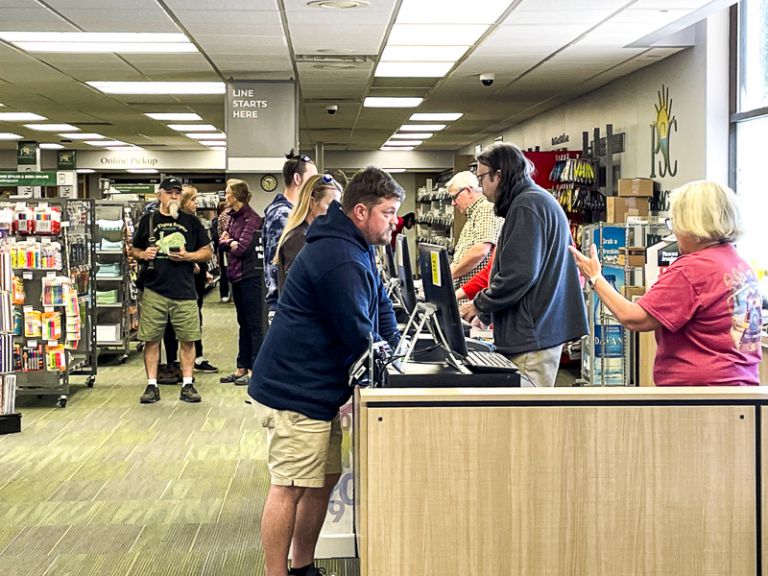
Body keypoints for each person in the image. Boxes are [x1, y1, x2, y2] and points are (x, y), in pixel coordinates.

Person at [249, 166, 403, 576]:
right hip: (294, 390)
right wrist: (381, 365)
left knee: (324, 478)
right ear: (360, 211)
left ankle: (302, 566)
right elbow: (355, 332)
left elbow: (379, 306)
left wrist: (394, 349)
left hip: (319, 389)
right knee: (290, 486)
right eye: (388, 213)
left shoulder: (356, 246)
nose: (394, 221)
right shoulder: (338, 257)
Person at [569, 180, 762, 386]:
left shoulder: (692, 270)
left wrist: (595, 278)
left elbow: (634, 318)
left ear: (692, 225)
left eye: (675, 223)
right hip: (741, 388)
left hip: (701, 393)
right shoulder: (739, 264)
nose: (675, 233)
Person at [460, 143, 587, 387]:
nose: (481, 187)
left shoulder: (527, 206)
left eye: (481, 178)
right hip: (536, 330)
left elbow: (518, 275)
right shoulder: (530, 201)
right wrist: (485, 313)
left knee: (527, 408)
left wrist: (480, 304)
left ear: (498, 175)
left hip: (532, 334)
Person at [133, 176, 212, 404]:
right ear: (160, 195)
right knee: (151, 339)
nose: (174, 196)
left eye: (177, 192)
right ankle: (152, 385)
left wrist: (188, 256)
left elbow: (207, 252)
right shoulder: (148, 220)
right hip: (154, 290)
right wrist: (143, 254)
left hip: (185, 290)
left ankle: (187, 384)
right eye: (169, 192)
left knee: (188, 339)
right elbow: (134, 250)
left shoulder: (191, 222)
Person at [161, 186, 218, 374]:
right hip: (180, 278)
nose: (196, 203)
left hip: (196, 277)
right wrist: (190, 261)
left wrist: (204, 269)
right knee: (173, 320)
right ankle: (172, 360)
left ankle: (195, 357)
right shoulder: (173, 223)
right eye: (193, 200)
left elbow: (203, 248)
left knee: (194, 317)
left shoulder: (194, 222)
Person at [218, 179, 264, 386]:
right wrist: (230, 242)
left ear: (236, 196)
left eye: (227, 192)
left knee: (254, 325)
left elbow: (242, 248)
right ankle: (241, 366)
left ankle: (255, 369)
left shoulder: (251, 219)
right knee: (242, 324)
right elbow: (222, 241)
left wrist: (228, 242)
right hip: (236, 276)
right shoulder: (231, 218)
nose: (225, 195)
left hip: (250, 277)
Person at [263, 150, 318, 320]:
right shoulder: (283, 214)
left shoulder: (293, 213)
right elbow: (279, 264)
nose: (316, 185)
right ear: (297, 178)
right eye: (312, 178)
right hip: (285, 305)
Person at [275, 173, 342, 294]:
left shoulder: (311, 236)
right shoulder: (299, 238)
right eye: (330, 205)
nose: (335, 211)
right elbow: (297, 290)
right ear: (312, 202)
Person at [446, 171, 502, 289]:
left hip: (476, 294)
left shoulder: (485, 209)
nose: (453, 203)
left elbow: (480, 250)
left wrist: (449, 275)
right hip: (465, 293)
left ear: (468, 191)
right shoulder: (473, 215)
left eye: (454, 197)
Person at [211, 201, 231, 303]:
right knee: (224, 271)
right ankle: (224, 293)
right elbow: (215, 237)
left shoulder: (229, 218)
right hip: (223, 250)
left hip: (226, 248)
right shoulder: (216, 221)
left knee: (226, 271)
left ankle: (227, 293)